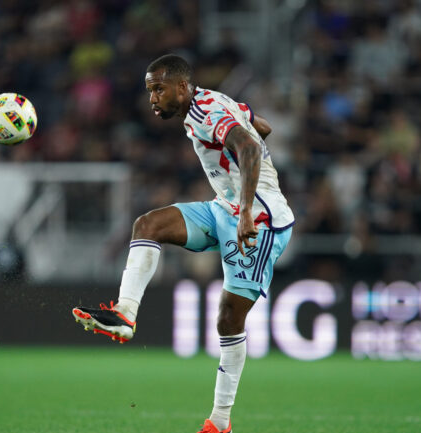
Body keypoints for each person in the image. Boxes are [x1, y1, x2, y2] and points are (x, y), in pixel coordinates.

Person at [72, 54, 295, 433]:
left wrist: (245, 210)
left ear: (181, 87)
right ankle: (125, 314)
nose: (152, 99)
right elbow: (262, 126)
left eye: (158, 89)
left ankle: (220, 422)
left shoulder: (206, 111)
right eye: (149, 91)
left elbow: (251, 147)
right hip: (224, 208)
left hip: (258, 220)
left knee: (228, 319)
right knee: (149, 224)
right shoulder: (211, 102)